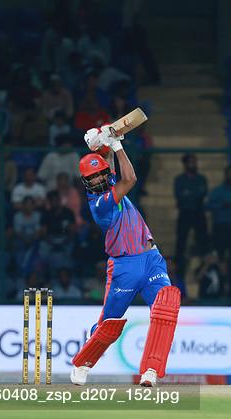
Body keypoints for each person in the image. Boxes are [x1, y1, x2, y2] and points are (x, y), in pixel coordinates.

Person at [71, 126, 179, 387]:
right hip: (124, 267)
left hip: (151, 259)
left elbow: (108, 164)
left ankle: (151, 370)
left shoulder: (108, 181)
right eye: (92, 178)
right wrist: (117, 144)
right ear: (86, 183)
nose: (98, 180)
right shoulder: (99, 204)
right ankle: (83, 363)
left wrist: (104, 141)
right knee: (108, 324)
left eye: (100, 174)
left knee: (166, 308)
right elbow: (130, 179)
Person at [173, 153, 209, 271]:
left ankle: (205, 266)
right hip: (185, 213)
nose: (193, 165)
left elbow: (202, 193)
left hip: (199, 213)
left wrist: (189, 194)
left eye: (194, 162)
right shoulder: (179, 180)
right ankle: (179, 268)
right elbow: (180, 196)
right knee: (181, 242)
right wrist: (193, 194)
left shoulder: (201, 179)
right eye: (191, 162)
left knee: (203, 240)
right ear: (185, 164)